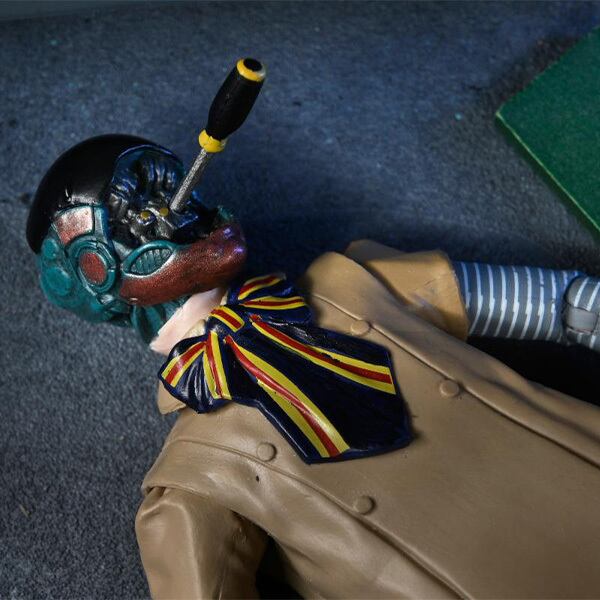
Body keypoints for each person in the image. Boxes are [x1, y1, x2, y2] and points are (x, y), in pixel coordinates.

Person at [27, 136, 600, 599]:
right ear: (95, 270)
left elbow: (566, 305)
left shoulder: (352, 282)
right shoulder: (191, 479)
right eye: (138, 210)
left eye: (173, 184)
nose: (178, 206)